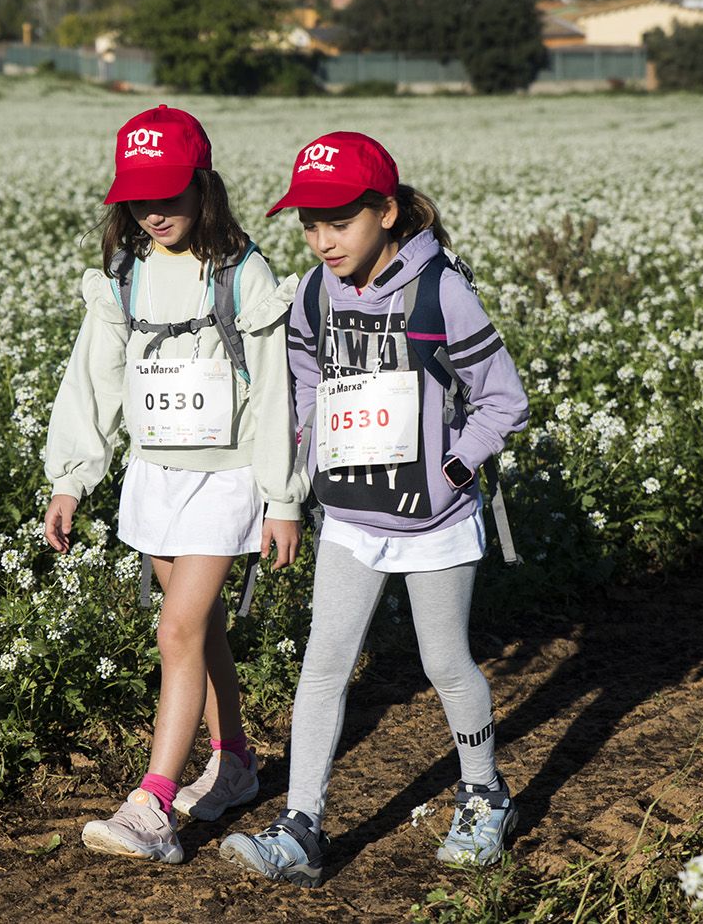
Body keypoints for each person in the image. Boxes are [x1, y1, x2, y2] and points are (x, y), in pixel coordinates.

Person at [219, 132, 530, 886]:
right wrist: (306, 461)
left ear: (386, 213)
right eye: (309, 225)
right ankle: (301, 827)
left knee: (446, 663)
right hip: (353, 517)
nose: (322, 240)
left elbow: (504, 403)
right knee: (323, 667)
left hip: (436, 521)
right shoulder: (315, 291)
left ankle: (486, 795)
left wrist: (452, 468)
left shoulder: (441, 290)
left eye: (339, 222)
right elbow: (300, 375)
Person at [43, 105, 305, 865]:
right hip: (155, 477)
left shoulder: (242, 273)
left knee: (178, 631)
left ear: (204, 186)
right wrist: (71, 479)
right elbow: (91, 378)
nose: (154, 210)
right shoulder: (123, 273)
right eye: (138, 194)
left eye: (170, 192)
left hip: (227, 480)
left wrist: (282, 497)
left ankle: (153, 807)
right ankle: (237, 763)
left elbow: (275, 396)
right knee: (203, 629)